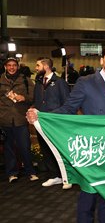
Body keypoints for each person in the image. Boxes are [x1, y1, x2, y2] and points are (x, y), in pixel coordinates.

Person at [27, 44, 105, 223]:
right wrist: (41, 116)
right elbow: (68, 109)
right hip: (91, 153)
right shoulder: (85, 83)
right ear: (102, 60)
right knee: (87, 203)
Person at [33, 57, 72, 189]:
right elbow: (36, 101)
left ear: (46, 66)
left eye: (38, 65)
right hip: (41, 122)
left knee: (60, 150)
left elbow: (67, 103)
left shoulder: (60, 82)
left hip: (56, 123)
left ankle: (67, 177)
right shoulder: (38, 83)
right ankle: (55, 176)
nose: (36, 68)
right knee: (45, 148)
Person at [0, 57, 38, 183]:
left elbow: (33, 98)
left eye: (14, 65)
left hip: (20, 119)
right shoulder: (0, 80)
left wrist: (24, 98)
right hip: (4, 120)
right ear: (5, 66)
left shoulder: (26, 81)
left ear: (17, 66)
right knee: (8, 148)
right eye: (9, 65)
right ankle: (12, 173)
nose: (11, 67)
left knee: (25, 146)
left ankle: (30, 171)